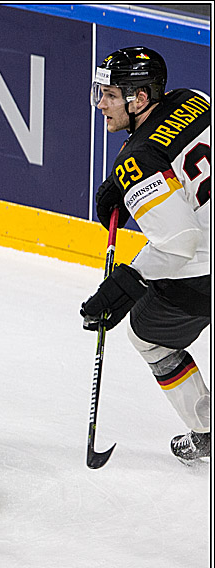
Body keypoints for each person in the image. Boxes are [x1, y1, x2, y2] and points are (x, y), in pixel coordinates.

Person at [83, 46, 211, 463]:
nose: (101, 103)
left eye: (110, 95)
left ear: (139, 99)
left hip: (204, 273)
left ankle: (207, 429)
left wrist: (128, 282)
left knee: (146, 333)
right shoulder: (194, 99)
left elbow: (178, 243)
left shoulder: (138, 160)